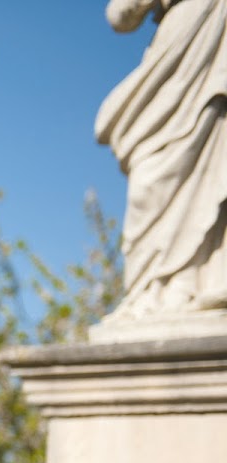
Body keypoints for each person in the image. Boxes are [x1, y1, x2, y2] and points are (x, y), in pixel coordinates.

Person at [96, 0, 227, 316]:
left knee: (215, 162)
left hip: (216, 47)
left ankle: (205, 281)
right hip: (182, 52)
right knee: (151, 178)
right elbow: (121, 16)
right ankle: (151, 290)